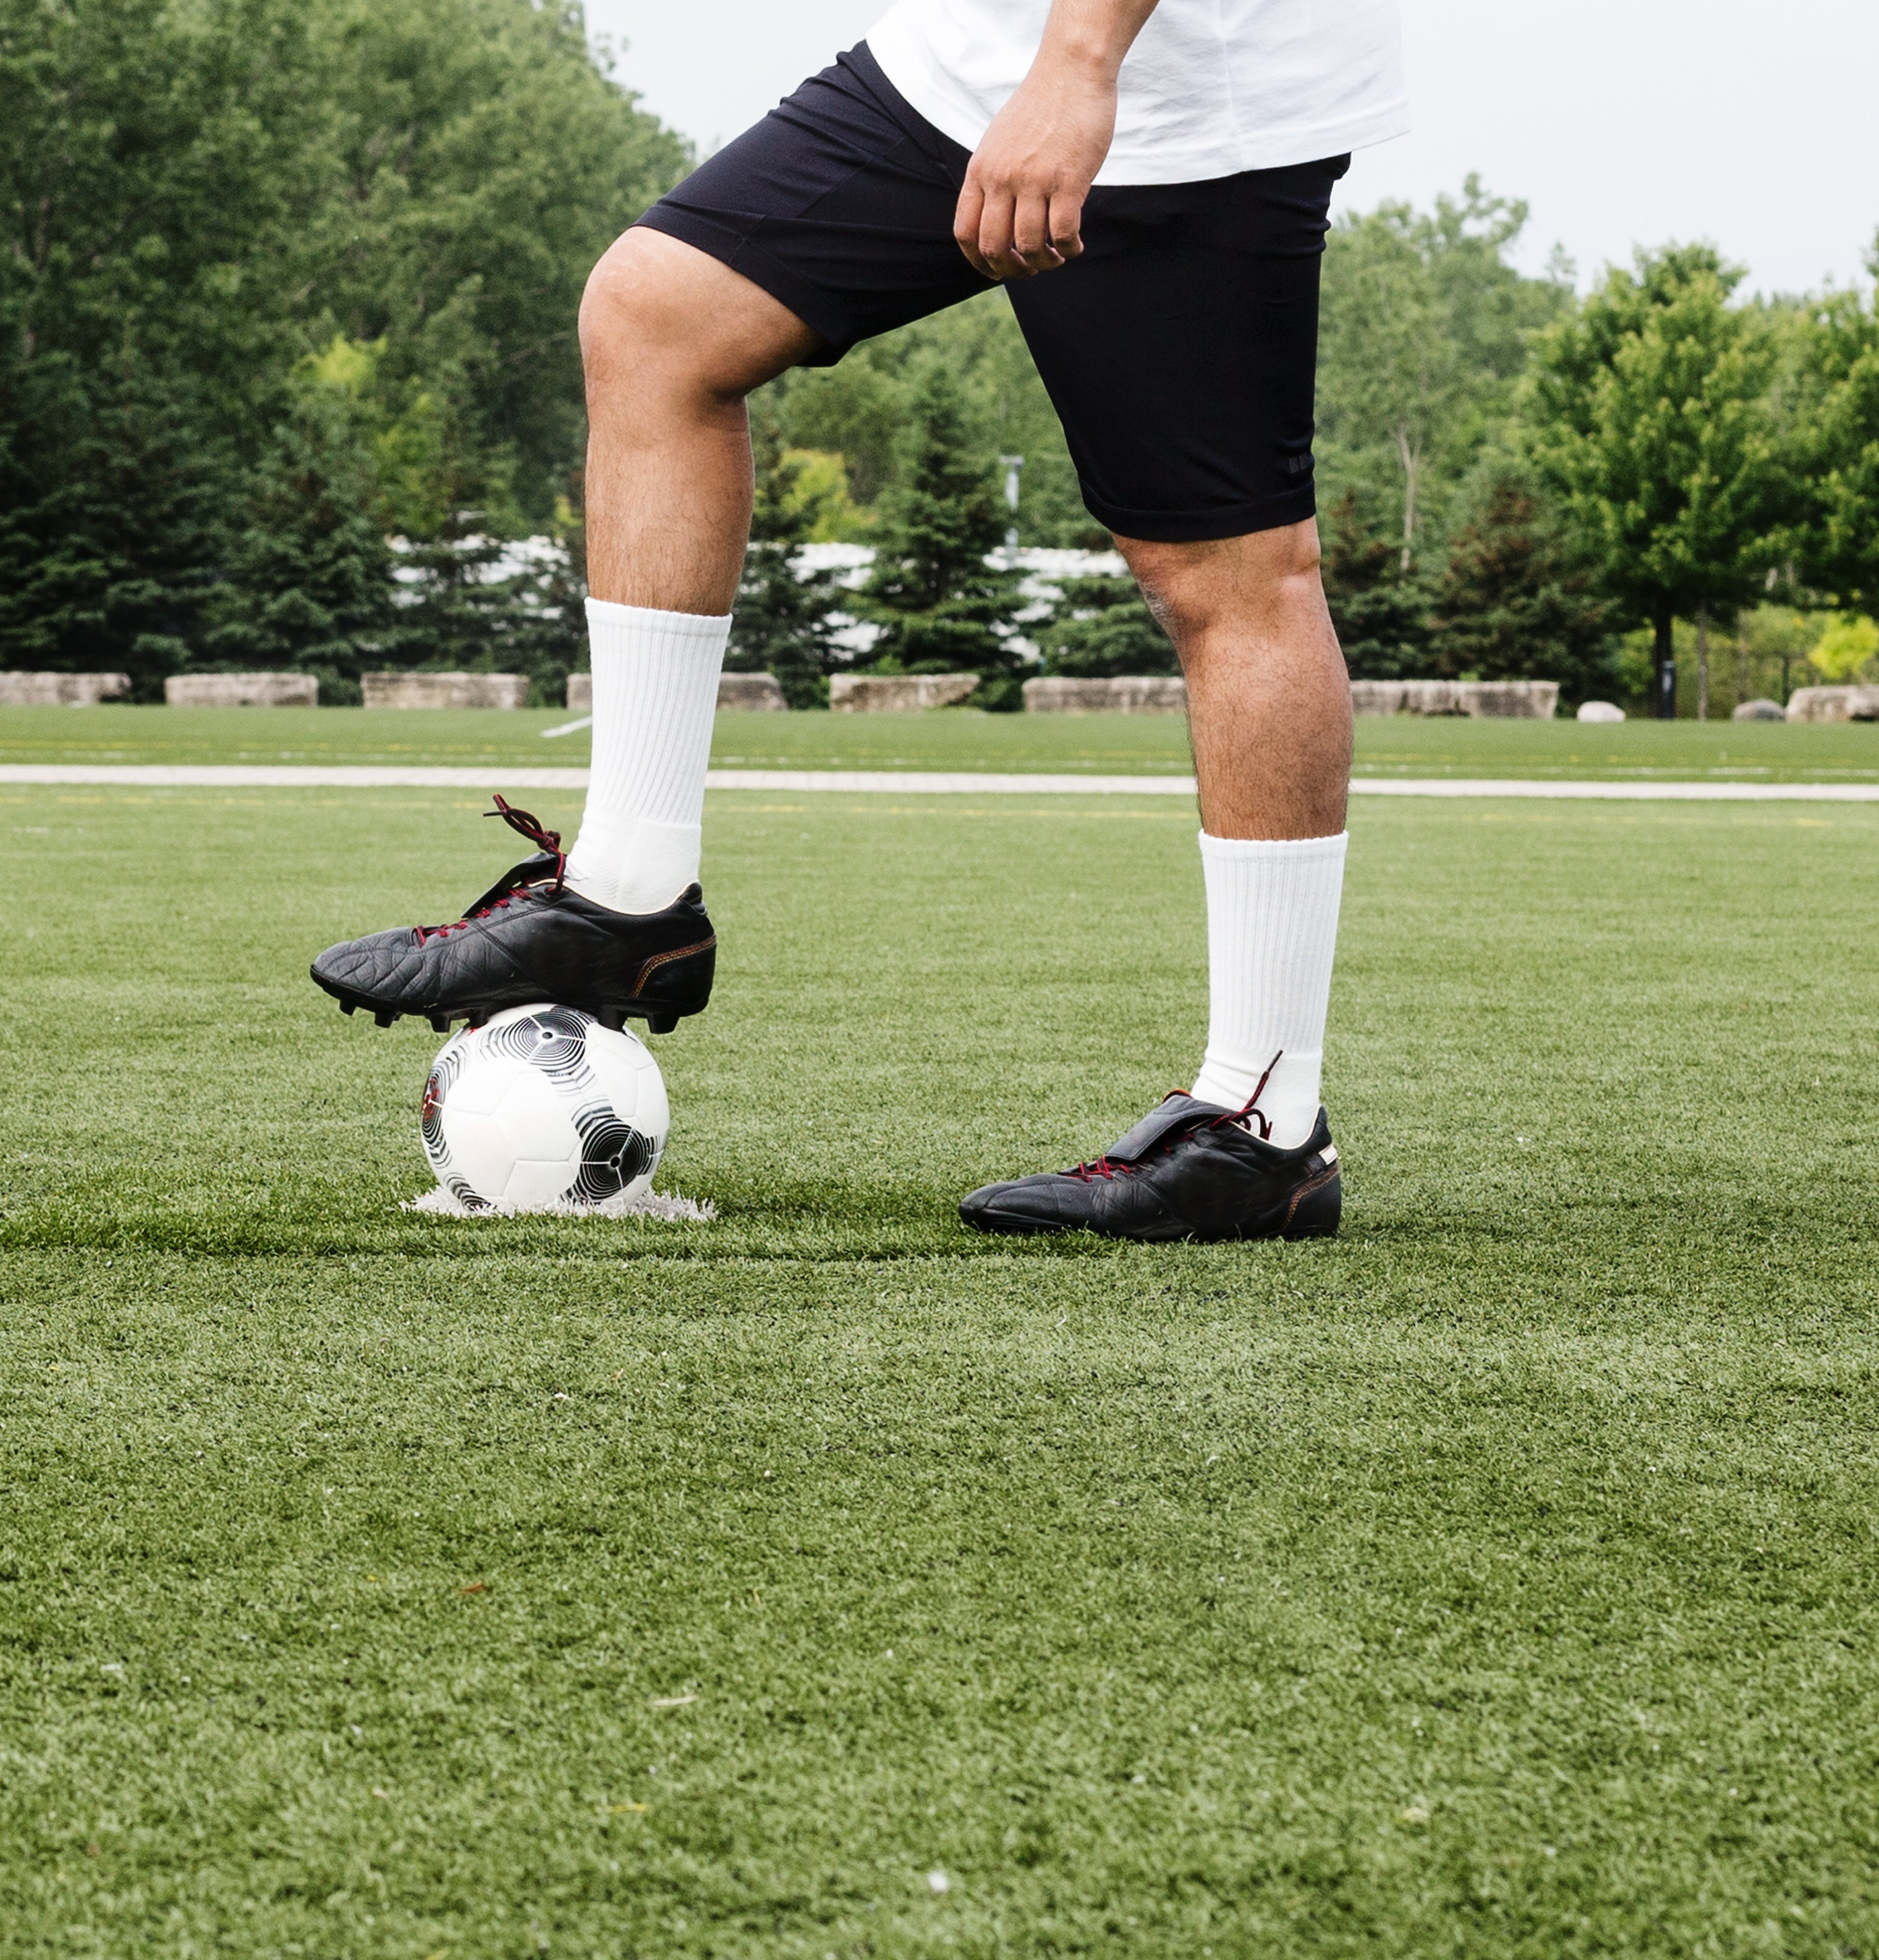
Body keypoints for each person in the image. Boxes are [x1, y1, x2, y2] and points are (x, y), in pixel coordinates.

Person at [309, 0, 1404, 1242]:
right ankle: (624, 901)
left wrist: (1082, 59)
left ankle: (1264, 1123)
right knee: (657, 315)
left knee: (1230, 577)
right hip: (971, 58)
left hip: (1174, 99)